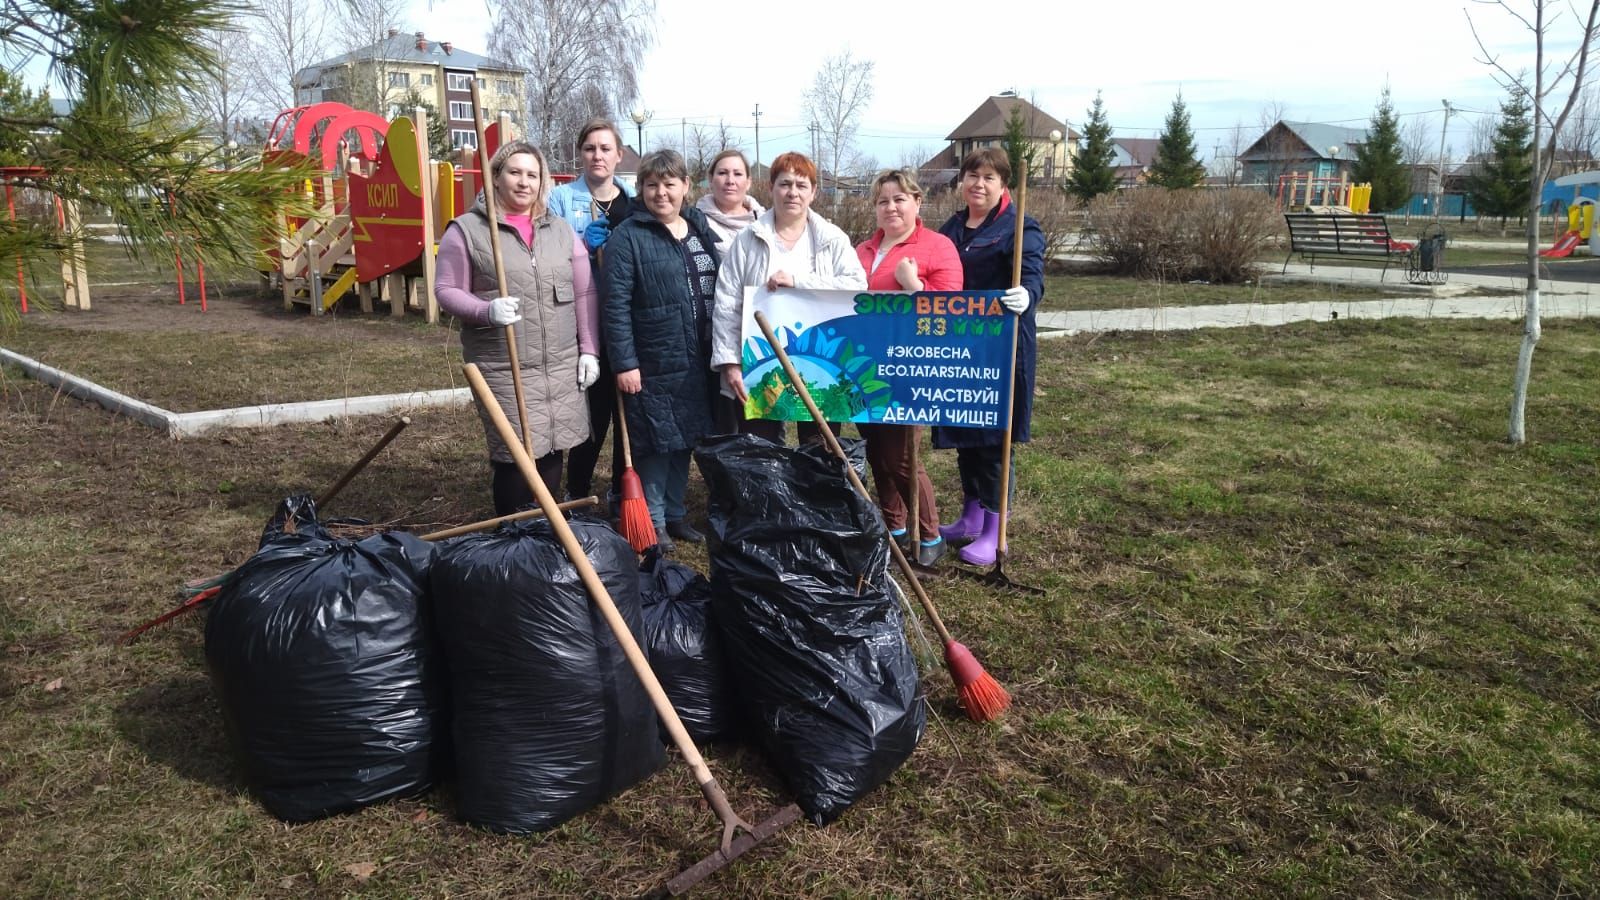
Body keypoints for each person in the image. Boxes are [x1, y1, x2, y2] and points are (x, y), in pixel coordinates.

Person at [434, 140, 601, 516]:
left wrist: (590, 349)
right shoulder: (469, 231)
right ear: (496, 177)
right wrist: (485, 310)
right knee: (515, 453)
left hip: (559, 361)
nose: (524, 182)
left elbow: (585, 291)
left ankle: (542, 532)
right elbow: (445, 290)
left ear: (542, 181)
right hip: (503, 366)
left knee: (554, 445)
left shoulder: (560, 231)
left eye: (532, 174)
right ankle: (512, 537)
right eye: (515, 172)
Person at [603, 150, 721, 549]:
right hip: (653, 360)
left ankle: (675, 514)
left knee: (684, 440)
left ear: (686, 187)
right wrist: (624, 362)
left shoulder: (698, 229)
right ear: (641, 189)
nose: (661, 192)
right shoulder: (628, 237)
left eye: (670, 183)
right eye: (652, 184)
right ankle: (650, 522)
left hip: (697, 359)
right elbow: (615, 304)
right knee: (655, 443)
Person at [934, 148, 1044, 566]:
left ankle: (996, 529)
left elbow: (1033, 276)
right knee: (964, 430)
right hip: (961, 346)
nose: (978, 184)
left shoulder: (1019, 227)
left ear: (1004, 185)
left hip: (1001, 347)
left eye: (989, 178)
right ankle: (971, 516)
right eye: (972, 176)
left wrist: (1026, 296)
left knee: (994, 437)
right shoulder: (954, 226)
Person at [710, 151, 866, 442]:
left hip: (822, 363)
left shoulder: (832, 239)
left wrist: (798, 282)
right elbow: (727, 304)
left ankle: (814, 490)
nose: (792, 192)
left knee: (820, 450)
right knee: (762, 451)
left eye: (801, 185)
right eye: (784, 184)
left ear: (814, 192)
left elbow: (855, 287)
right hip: (760, 365)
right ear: (770, 188)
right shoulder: (748, 240)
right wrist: (730, 363)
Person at [855, 170, 961, 567]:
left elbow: (953, 311)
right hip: (864, 366)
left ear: (917, 202)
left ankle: (930, 535)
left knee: (901, 456)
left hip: (911, 368)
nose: (891, 207)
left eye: (900, 199)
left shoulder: (937, 247)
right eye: (883, 201)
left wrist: (914, 285)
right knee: (876, 451)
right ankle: (895, 526)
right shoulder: (863, 250)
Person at [548, 119, 634, 506]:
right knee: (592, 411)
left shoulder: (633, 202)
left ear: (619, 154)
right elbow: (547, 256)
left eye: (605, 148)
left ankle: (621, 489)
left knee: (627, 413)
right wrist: (580, 245)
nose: (597, 155)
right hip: (580, 320)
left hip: (625, 318)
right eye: (589, 148)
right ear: (580, 154)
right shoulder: (560, 200)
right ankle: (577, 489)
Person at [694, 149, 764, 252]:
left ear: (748, 182)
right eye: (722, 173)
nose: (730, 181)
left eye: (738, 174)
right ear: (710, 179)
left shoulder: (766, 222)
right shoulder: (696, 223)